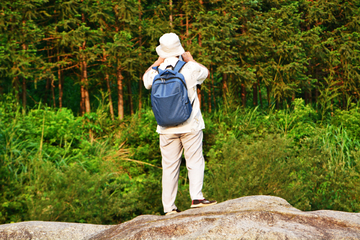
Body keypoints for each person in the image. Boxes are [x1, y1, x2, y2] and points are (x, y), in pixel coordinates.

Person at [142, 32, 216, 216]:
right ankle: (197, 198)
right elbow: (206, 72)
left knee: (169, 167)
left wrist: (158, 61)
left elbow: (145, 81)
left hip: (165, 128)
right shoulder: (189, 68)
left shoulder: (155, 72)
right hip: (190, 124)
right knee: (195, 160)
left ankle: (169, 208)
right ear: (179, 48)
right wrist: (190, 59)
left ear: (162, 51)